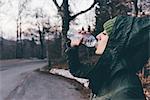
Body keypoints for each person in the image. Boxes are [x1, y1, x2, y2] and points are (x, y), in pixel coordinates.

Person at [65, 15, 150, 100]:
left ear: (115, 44)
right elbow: (77, 70)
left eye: (104, 33)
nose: (98, 36)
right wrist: (73, 47)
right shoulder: (110, 70)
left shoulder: (127, 90)